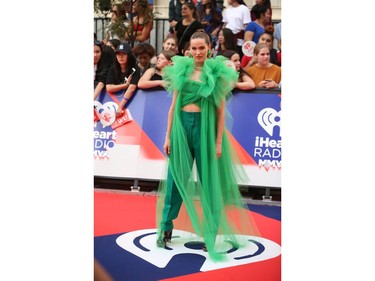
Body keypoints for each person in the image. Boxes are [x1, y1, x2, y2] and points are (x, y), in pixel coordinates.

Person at [156, 30, 260, 261]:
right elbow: (173, 106)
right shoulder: (181, 69)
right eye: (194, 48)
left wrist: (217, 141)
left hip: (206, 130)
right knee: (175, 181)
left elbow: (221, 110)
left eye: (201, 48)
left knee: (209, 185)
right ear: (189, 50)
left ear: (209, 48)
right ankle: (166, 226)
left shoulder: (217, 72)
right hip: (181, 129)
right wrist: (168, 136)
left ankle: (210, 234)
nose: (198, 52)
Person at [106, 43, 141, 116]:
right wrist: (125, 85)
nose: (120, 57)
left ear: (129, 55)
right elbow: (109, 88)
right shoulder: (113, 68)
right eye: (118, 54)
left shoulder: (135, 69)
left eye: (124, 54)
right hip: (114, 101)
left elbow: (131, 88)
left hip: (131, 102)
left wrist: (120, 106)